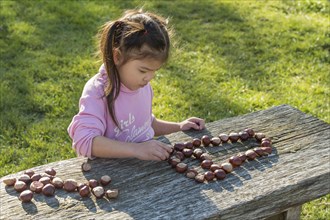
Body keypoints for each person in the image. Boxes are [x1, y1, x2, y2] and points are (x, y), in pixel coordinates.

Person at [67, 9, 205, 161]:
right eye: (143, 70)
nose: (149, 78)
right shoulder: (98, 91)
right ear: (117, 57)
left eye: (155, 71)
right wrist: (136, 149)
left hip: (142, 168)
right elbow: (84, 141)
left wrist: (178, 127)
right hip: (109, 174)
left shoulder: (141, 86)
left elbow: (145, 125)